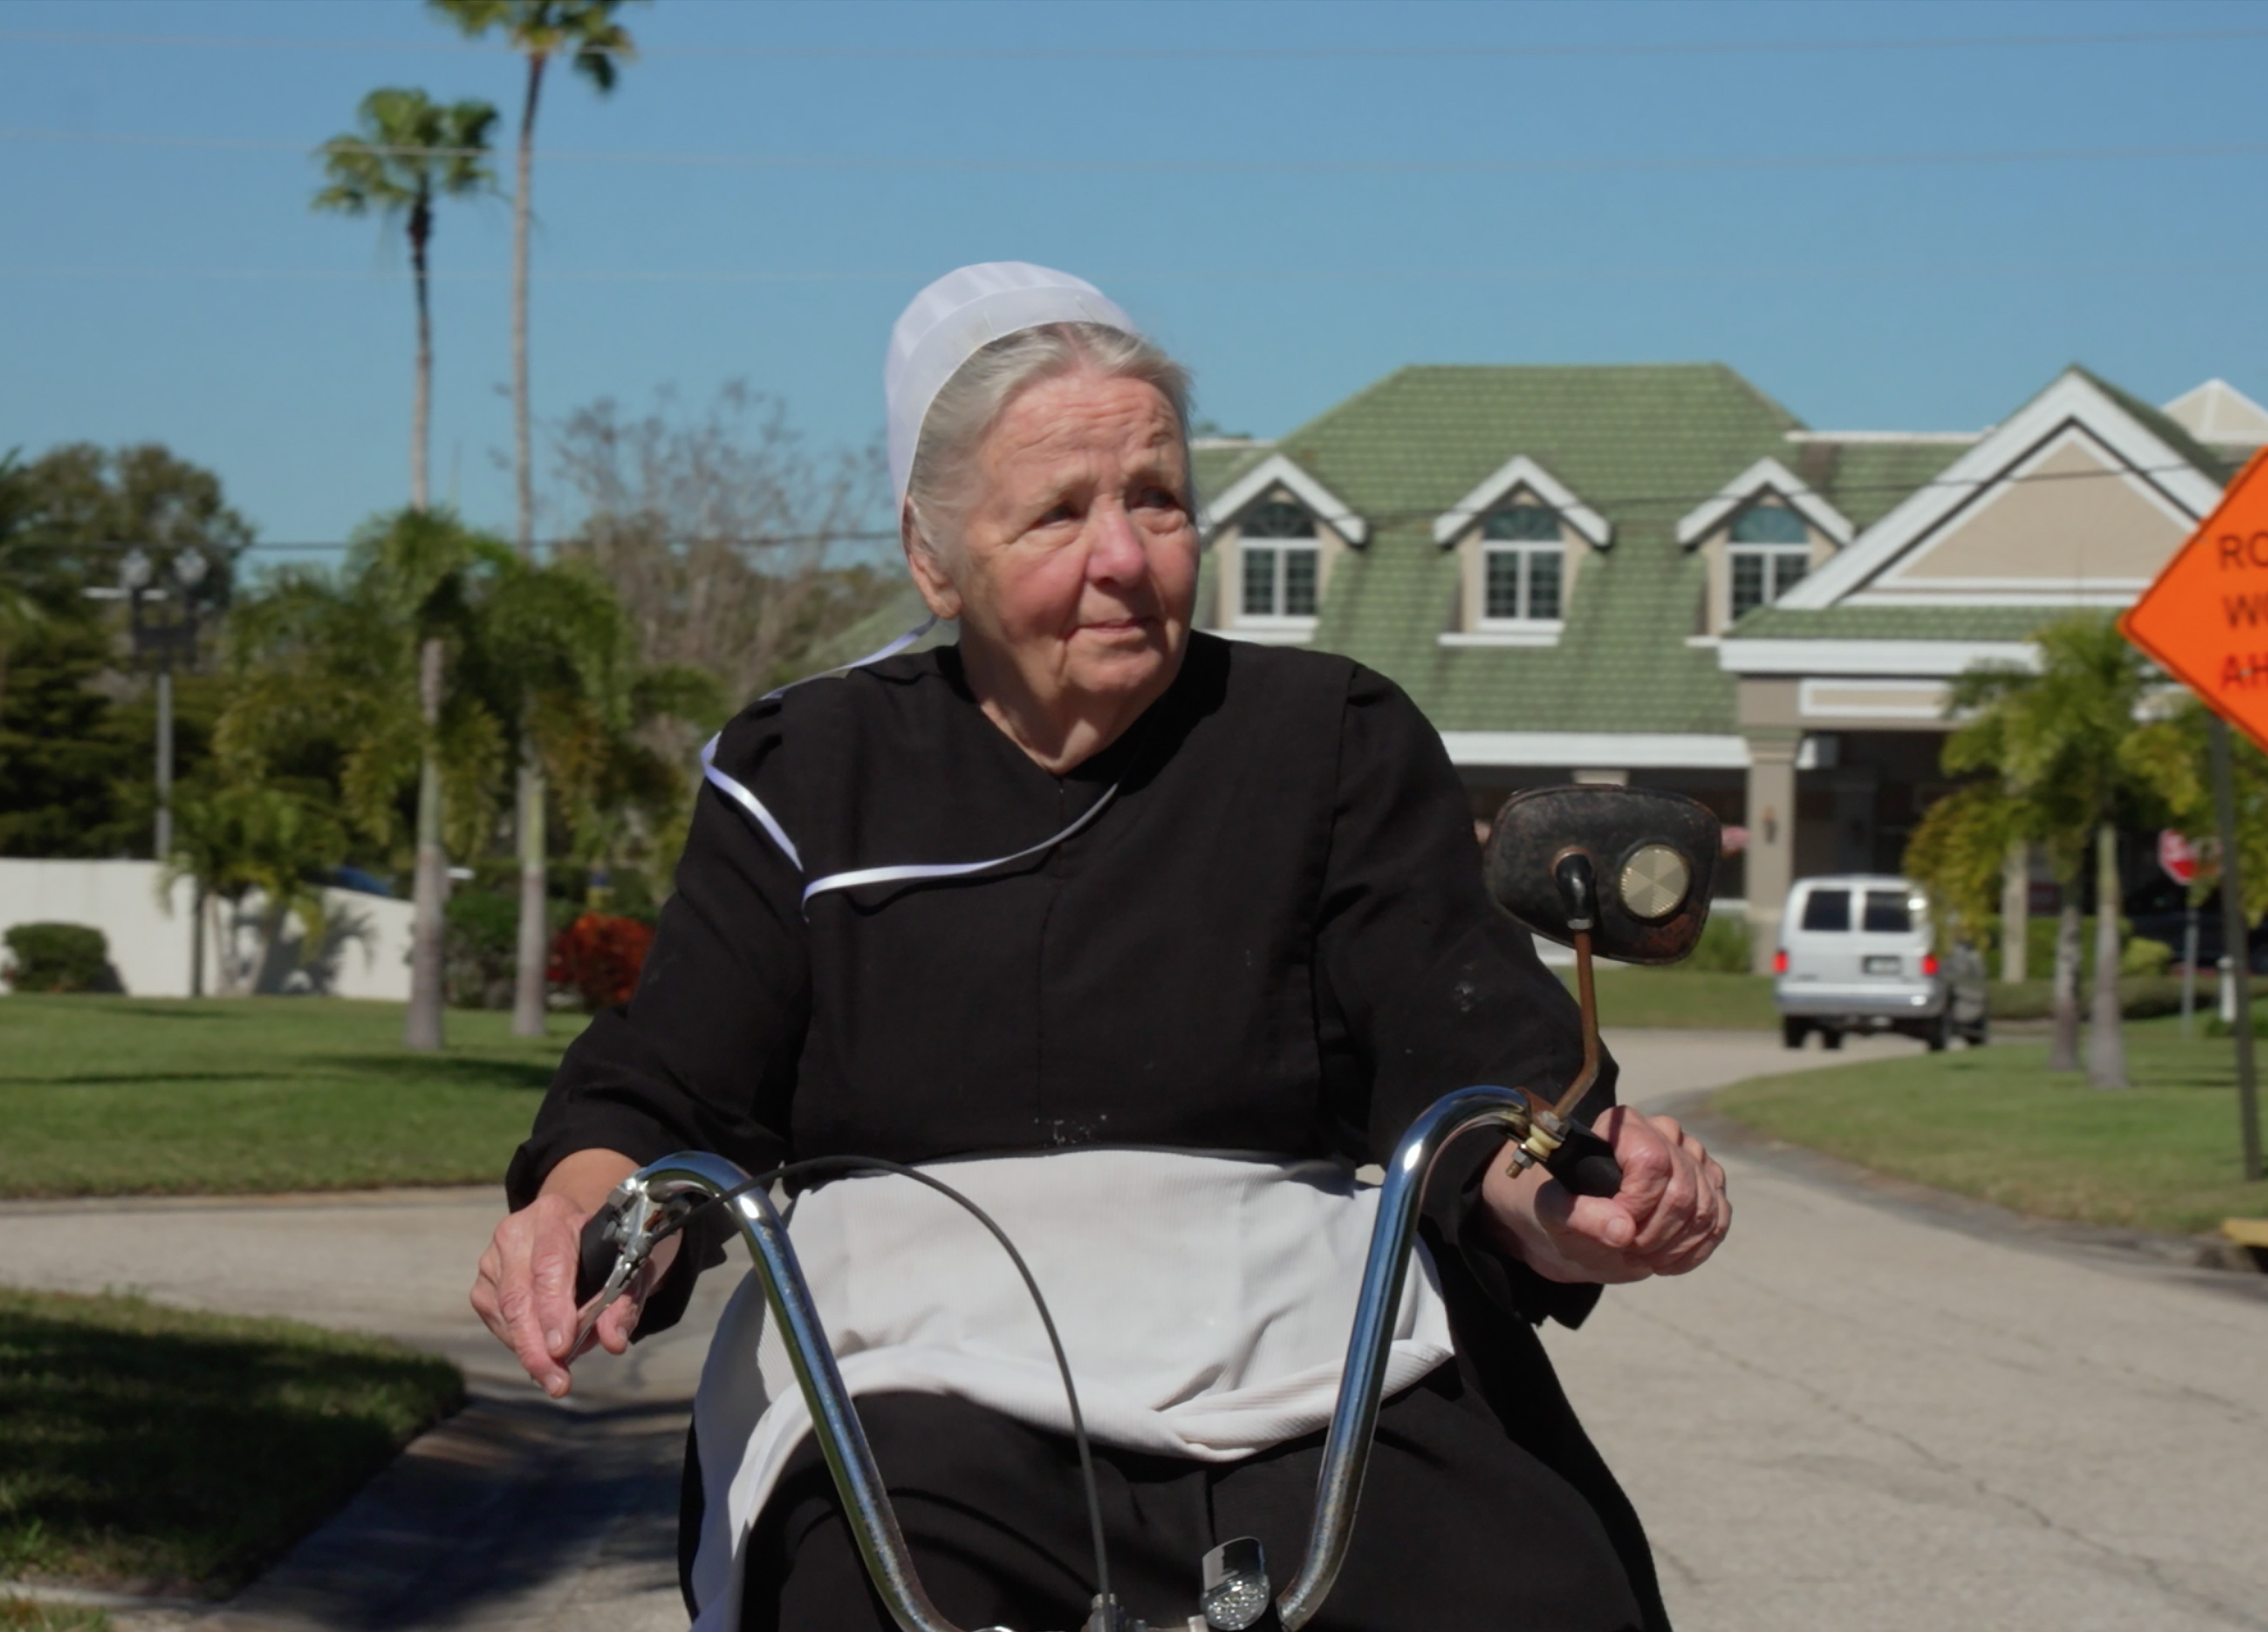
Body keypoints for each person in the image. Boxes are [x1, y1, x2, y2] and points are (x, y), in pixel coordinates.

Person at [476, 263, 1731, 1632]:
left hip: (1309, 1350)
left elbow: (1469, 1049)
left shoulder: (1327, 739)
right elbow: (668, 1079)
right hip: (917, 1366)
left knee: (1547, 1589)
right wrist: (587, 1215)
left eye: (1156, 499)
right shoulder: (808, 769)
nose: (1123, 552)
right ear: (930, 554)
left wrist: (1572, 1204)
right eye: (1060, 511)